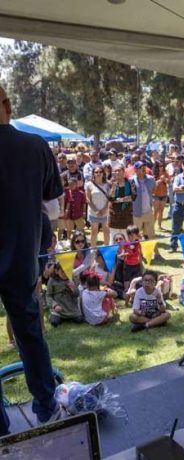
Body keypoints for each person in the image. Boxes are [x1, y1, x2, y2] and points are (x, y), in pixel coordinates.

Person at [0, 85, 64, 434]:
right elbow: (50, 205)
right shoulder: (35, 147)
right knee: (30, 336)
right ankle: (45, 405)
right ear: (8, 105)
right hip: (21, 259)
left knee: (30, 335)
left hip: (21, 256)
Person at [45, 261, 83, 327]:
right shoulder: (52, 280)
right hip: (59, 307)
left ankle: (69, 317)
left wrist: (74, 289)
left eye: (67, 271)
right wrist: (55, 305)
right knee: (54, 322)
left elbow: (77, 294)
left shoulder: (71, 278)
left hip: (71, 307)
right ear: (56, 271)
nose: (65, 274)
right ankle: (57, 316)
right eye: (62, 271)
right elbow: (48, 295)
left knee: (80, 320)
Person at [108, 164, 137, 242]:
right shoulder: (111, 183)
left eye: (119, 170)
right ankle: (115, 254)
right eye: (115, 171)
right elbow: (111, 198)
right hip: (114, 216)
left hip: (127, 215)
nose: (117, 173)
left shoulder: (130, 182)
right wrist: (114, 186)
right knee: (114, 239)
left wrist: (119, 200)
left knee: (127, 239)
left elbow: (133, 197)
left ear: (123, 172)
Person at [85, 166, 110, 246]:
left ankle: (107, 249)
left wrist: (104, 209)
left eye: (100, 172)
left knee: (106, 232)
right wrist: (96, 210)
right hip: (93, 212)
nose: (98, 173)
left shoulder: (107, 184)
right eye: (96, 172)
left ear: (103, 173)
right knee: (93, 232)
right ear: (93, 174)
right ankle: (93, 250)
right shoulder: (88, 184)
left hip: (105, 212)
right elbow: (88, 199)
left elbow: (110, 198)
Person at [132, 161, 156, 239]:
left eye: (144, 167)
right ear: (135, 170)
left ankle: (155, 251)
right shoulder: (130, 180)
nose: (143, 169)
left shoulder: (151, 179)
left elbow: (153, 191)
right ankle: (137, 251)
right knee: (136, 235)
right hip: (136, 213)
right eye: (140, 167)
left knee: (151, 234)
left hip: (148, 211)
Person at [121, 225, 144, 290]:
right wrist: (123, 254)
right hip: (127, 264)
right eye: (129, 235)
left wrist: (140, 263)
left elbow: (140, 253)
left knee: (137, 279)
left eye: (133, 235)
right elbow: (123, 250)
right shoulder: (126, 243)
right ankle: (126, 290)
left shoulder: (138, 242)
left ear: (137, 235)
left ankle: (137, 290)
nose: (131, 237)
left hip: (136, 264)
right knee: (126, 279)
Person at [152, 162, 170, 232]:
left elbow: (169, 182)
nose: (161, 167)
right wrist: (160, 180)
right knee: (155, 211)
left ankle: (159, 226)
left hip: (164, 195)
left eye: (162, 166)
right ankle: (152, 226)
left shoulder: (165, 173)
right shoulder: (154, 174)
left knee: (161, 210)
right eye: (159, 166)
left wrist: (165, 180)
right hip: (155, 195)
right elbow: (153, 184)